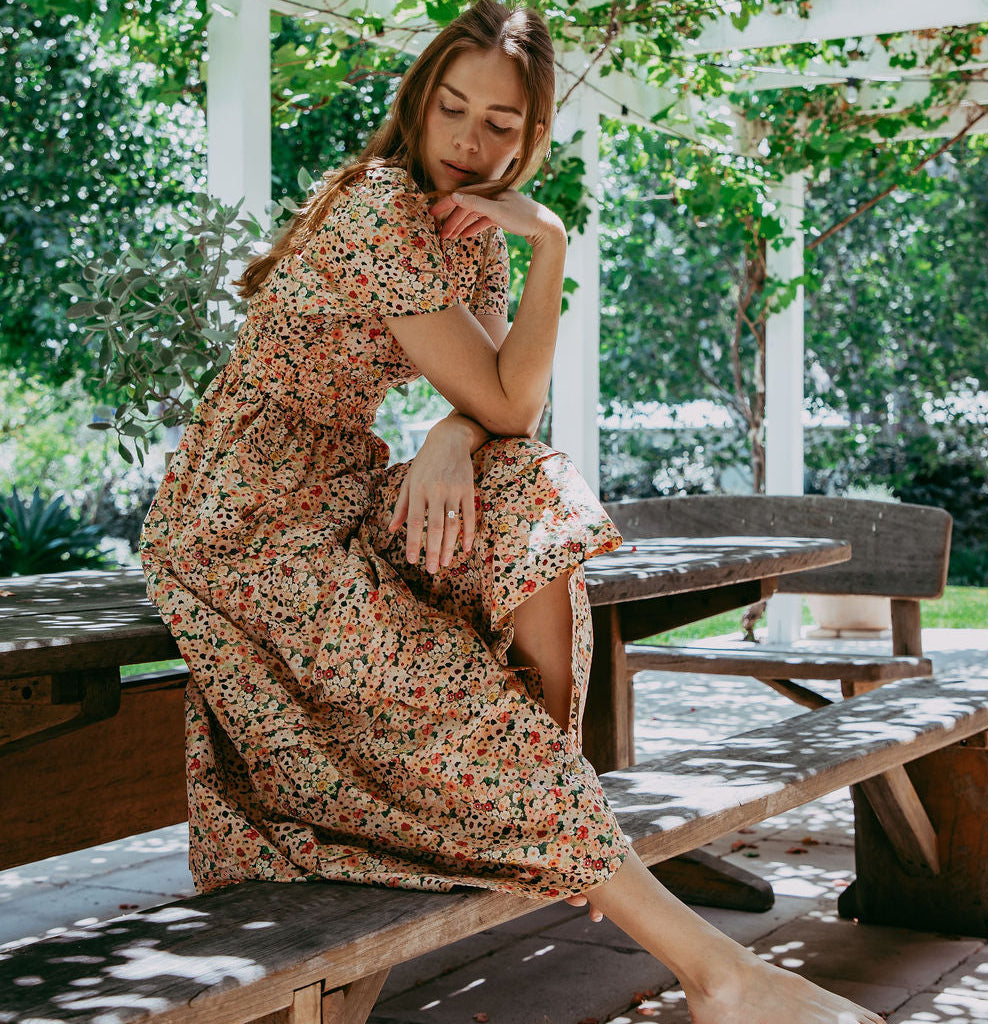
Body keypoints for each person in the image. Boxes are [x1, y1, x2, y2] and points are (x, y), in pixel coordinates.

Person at [140, 3, 883, 1021]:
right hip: (243, 521)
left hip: (343, 499)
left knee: (530, 478)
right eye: (451, 108)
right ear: (419, 100)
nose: (468, 141)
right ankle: (713, 967)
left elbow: (510, 412)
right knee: (462, 664)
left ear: (530, 135)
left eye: (499, 123)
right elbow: (496, 395)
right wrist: (466, 416)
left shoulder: (476, 228)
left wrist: (544, 250)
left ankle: (538, 786)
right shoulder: (376, 207)